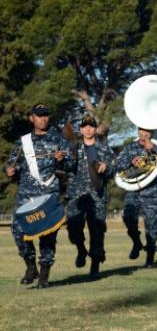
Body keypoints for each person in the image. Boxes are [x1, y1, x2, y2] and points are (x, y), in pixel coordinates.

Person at [5, 103, 71, 288]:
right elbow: (12, 163)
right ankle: (30, 266)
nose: (43, 118)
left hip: (49, 193)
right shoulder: (23, 142)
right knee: (18, 232)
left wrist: (63, 160)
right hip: (26, 194)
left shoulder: (59, 140)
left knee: (48, 236)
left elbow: (71, 167)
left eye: (46, 115)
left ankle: (44, 275)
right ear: (31, 118)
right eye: (39, 115)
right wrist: (9, 170)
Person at [116, 127, 157, 268]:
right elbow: (118, 165)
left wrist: (154, 148)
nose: (144, 133)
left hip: (152, 192)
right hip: (133, 190)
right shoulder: (130, 147)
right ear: (137, 131)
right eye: (141, 130)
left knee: (152, 225)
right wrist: (131, 161)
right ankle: (136, 242)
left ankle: (150, 257)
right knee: (128, 218)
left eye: (147, 131)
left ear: (152, 132)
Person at [65, 115, 115, 278]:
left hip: (97, 196)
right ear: (80, 130)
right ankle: (81, 249)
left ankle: (95, 267)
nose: (88, 129)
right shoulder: (73, 149)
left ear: (96, 129)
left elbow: (113, 172)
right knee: (73, 228)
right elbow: (65, 167)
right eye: (85, 126)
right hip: (76, 196)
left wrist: (105, 168)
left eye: (91, 126)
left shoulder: (104, 149)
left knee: (97, 232)